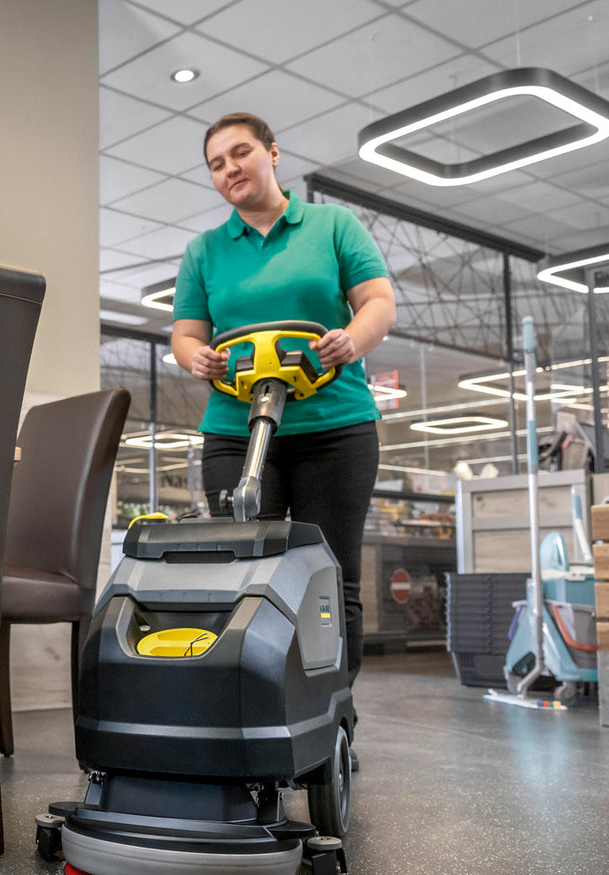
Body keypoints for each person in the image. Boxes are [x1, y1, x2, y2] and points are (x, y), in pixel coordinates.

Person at [170, 112, 396, 753]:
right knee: (243, 574)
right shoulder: (204, 252)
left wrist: (354, 338)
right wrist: (194, 358)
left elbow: (378, 300)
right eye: (216, 163)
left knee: (331, 577)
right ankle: (250, 713)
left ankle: (330, 718)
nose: (230, 169)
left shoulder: (332, 226)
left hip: (335, 429)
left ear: (273, 153)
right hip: (237, 433)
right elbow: (186, 334)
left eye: (240, 153)